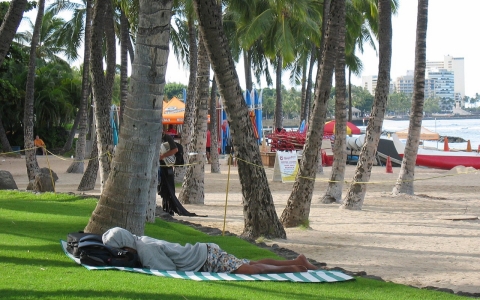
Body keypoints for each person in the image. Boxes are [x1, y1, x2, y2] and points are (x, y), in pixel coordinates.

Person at [103, 227, 318, 274]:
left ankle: (295, 268)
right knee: (249, 263)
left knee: (251, 270)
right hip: (205, 253)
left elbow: (166, 271)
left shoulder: (144, 248)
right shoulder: (140, 239)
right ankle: (297, 261)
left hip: (206, 259)